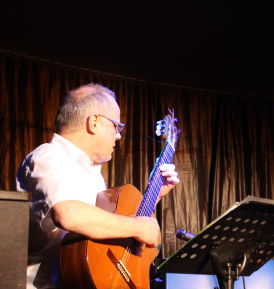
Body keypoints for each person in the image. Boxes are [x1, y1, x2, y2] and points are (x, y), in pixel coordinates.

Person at [16, 83, 180, 289]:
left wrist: (155, 194)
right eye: (116, 127)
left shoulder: (92, 174)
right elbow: (69, 215)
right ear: (94, 122)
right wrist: (138, 226)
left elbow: (107, 230)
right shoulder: (48, 157)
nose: (118, 136)